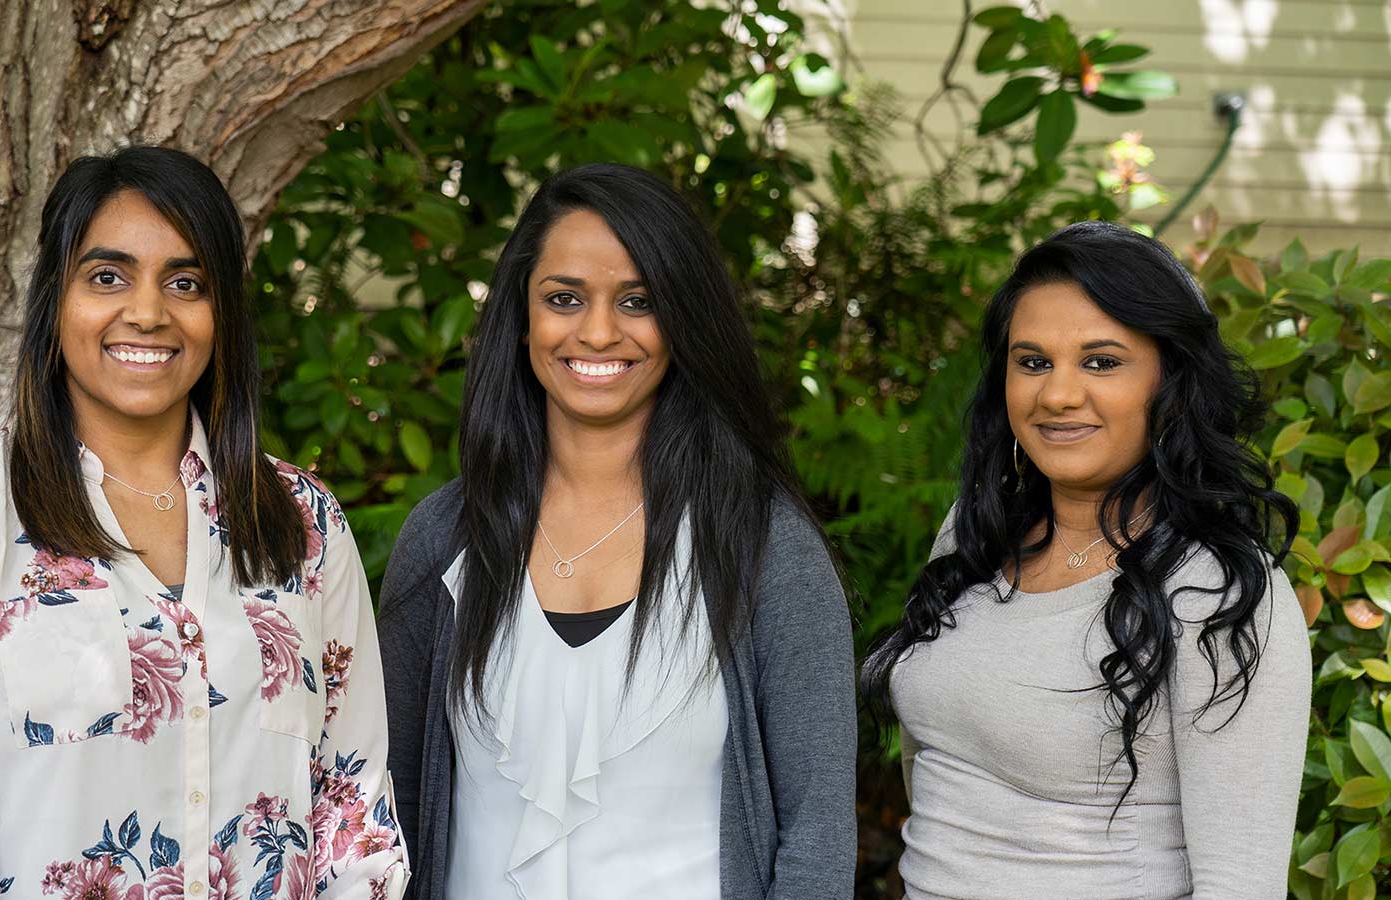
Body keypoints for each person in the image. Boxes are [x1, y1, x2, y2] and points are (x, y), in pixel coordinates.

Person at [0, 146, 406, 899]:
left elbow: (353, 819)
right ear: (56, 298)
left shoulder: (302, 525)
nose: (147, 312)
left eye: (185, 282)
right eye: (107, 277)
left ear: (222, 313)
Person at [376, 163, 858, 900]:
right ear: (522, 317)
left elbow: (818, 837)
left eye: (638, 301)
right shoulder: (445, 537)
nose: (598, 332)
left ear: (683, 319)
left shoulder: (764, 547)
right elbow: (390, 814)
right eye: (564, 298)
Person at [863, 220, 1310, 898]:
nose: (1057, 395)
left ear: (1171, 381)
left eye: (1101, 362)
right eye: (1033, 361)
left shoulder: (1220, 591)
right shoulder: (976, 536)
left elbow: (1240, 883)